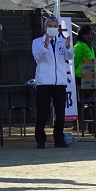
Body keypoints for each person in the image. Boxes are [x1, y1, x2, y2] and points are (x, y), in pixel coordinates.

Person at [32, 16, 73, 149]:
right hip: (44, 82)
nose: (53, 28)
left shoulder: (62, 41)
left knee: (60, 112)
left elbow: (69, 57)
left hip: (59, 83)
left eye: (56, 26)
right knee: (42, 112)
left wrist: (67, 47)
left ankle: (59, 139)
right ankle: (40, 140)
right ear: (45, 28)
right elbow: (38, 57)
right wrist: (45, 45)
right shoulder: (37, 42)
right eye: (51, 26)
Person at [73, 25, 96, 131]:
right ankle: (77, 123)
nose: (91, 36)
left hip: (89, 76)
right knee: (80, 101)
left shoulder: (89, 46)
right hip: (80, 77)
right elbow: (74, 61)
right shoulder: (79, 46)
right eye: (89, 33)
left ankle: (88, 124)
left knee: (89, 101)